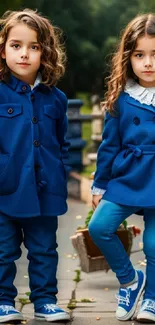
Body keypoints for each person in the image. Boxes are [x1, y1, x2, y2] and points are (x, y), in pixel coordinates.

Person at [0, 8, 70, 322]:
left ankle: (45, 301)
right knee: (3, 251)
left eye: (34, 47)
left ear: (46, 52)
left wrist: (60, 174)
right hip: (6, 190)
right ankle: (3, 301)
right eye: (16, 45)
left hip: (46, 191)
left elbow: (62, 142)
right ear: (3, 50)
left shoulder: (56, 99)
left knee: (44, 250)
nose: (24, 54)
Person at [89, 13, 155, 323]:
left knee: (154, 244)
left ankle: (152, 299)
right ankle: (130, 281)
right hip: (127, 175)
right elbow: (109, 145)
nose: (147, 62)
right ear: (128, 57)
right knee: (99, 227)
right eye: (139, 55)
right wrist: (100, 185)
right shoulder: (121, 98)